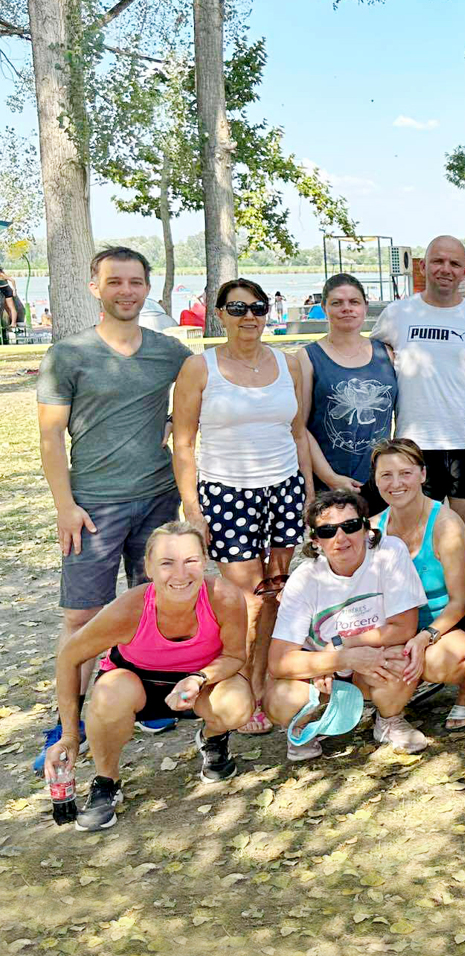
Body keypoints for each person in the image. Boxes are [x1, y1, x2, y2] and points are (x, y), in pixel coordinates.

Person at [35, 247, 193, 767]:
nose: (126, 291)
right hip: (93, 505)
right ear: (95, 287)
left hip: (158, 500)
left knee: (154, 604)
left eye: (135, 282)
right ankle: (70, 720)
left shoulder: (169, 352)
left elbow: (205, 390)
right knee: (83, 614)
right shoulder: (69, 354)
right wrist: (65, 505)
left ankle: (147, 699)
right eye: (115, 281)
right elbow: (51, 436)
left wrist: (172, 425)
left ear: (147, 288)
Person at [172, 277, 313, 736]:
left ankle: (263, 678)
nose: (249, 316)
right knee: (246, 601)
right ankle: (239, 686)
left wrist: (308, 492)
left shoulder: (289, 364)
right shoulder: (199, 368)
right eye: (237, 308)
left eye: (257, 307)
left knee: (275, 591)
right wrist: (193, 510)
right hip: (227, 493)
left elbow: (297, 433)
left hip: (284, 488)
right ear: (220, 314)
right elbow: (184, 443)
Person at [44, 522, 254, 830]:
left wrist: (198, 678)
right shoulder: (129, 609)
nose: (180, 574)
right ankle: (106, 781)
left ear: (205, 561)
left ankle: (213, 739)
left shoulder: (224, 597)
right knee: (109, 694)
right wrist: (70, 736)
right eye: (167, 563)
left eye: (190, 561)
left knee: (237, 703)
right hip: (135, 686)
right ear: (148, 567)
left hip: (197, 685)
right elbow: (69, 657)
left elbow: (235, 656)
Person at [265, 490, 430, 759]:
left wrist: (344, 644)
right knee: (280, 699)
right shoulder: (304, 579)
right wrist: (337, 660)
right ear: (316, 540)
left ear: (366, 528)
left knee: (402, 662)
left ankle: (389, 718)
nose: (340, 538)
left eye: (350, 526)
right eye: (328, 531)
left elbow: (404, 628)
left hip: (370, 654)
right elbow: (278, 662)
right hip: (322, 671)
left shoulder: (390, 552)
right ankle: (304, 727)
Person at [371, 235, 465, 549]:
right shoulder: (397, 313)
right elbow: (368, 361)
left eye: (454, 263)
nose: (445, 269)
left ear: (464, 272)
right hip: (415, 444)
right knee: (413, 537)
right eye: (438, 261)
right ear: (423, 266)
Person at [371, 439, 465, 730]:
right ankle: (401, 691)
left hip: (446, 626)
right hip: (394, 629)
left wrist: (424, 637)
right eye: (386, 475)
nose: (396, 484)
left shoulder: (446, 525)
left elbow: (461, 601)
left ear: (423, 474)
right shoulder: (372, 529)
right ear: (376, 481)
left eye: (405, 473)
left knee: (439, 662)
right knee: (368, 679)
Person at [300, 273, 397, 514]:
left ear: (365, 306)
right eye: (337, 303)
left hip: (381, 480)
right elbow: (299, 428)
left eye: (354, 302)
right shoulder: (308, 357)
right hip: (330, 481)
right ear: (324, 308)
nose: (347, 308)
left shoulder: (386, 353)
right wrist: (330, 477)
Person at [0, 265, 17, 344]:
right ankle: (11, 322)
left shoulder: (2, 274)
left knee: (11, 307)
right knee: (7, 309)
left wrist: (14, 290)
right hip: (2, 291)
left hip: (7, 290)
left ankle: (13, 323)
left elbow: (12, 280)